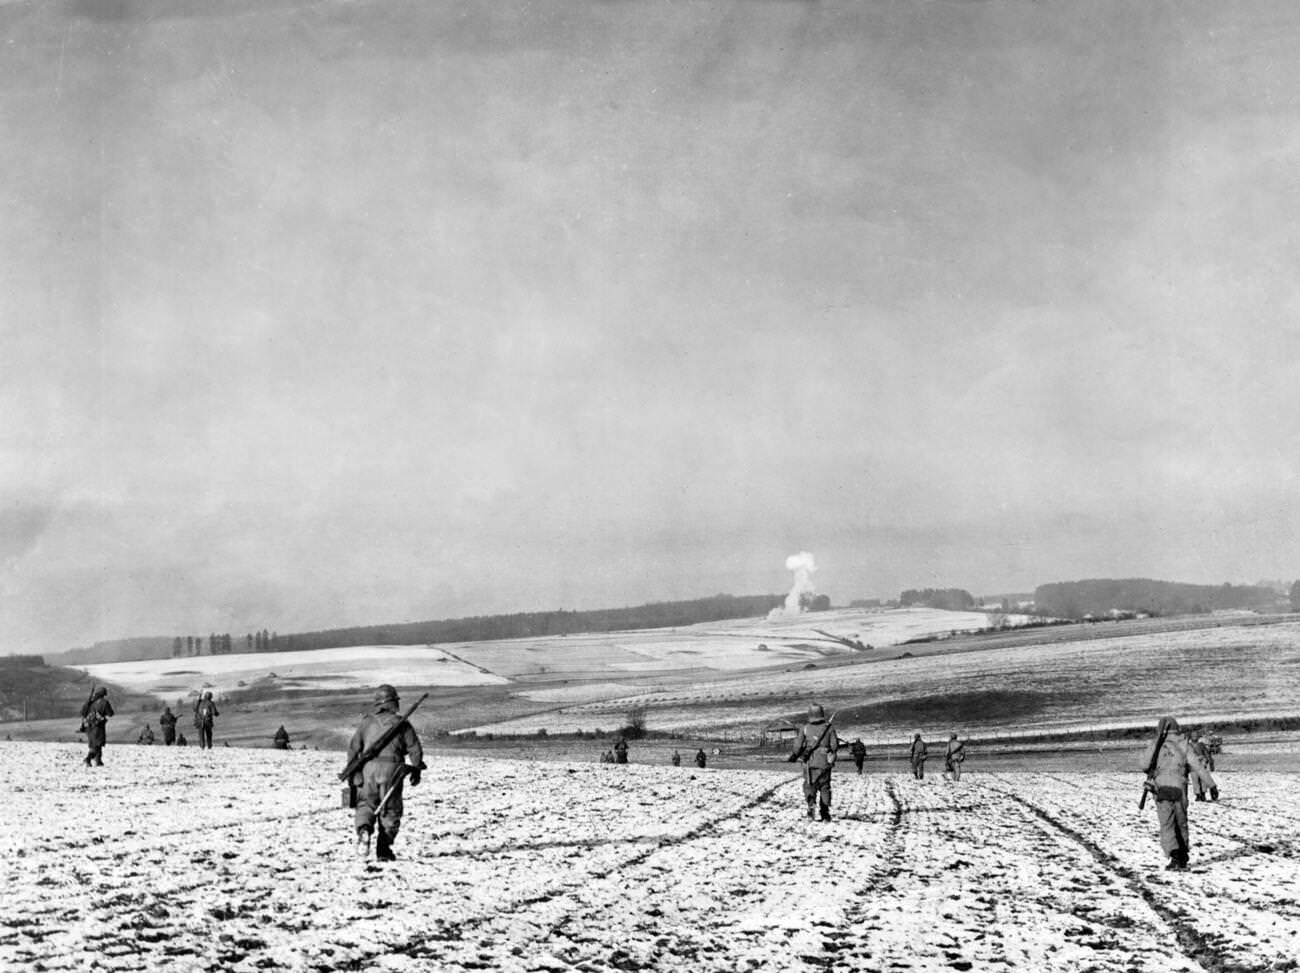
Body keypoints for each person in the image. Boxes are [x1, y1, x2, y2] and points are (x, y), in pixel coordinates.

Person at [344, 684, 424, 862]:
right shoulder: (402, 723)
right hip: (392, 770)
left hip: (368, 769)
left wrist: (353, 773)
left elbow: (353, 748)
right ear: (393, 702)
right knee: (390, 809)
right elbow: (415, 749)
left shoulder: (366, 723)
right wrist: (417, 768)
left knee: (366, 804)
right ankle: (383, 849)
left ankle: (364, 829)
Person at [1140, 716, 1218, 871]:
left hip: (1161, 788)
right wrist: (1212, 785)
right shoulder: (1184, 745)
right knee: (1181, 822)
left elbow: (1144, 765)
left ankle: (1174, 855)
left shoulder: (1155, 745)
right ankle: (1183, 855)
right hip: (1179, 788)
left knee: (1167, 823)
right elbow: (1198, 767)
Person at [789, 704, 839, 821]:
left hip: (810, 763)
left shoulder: (805, 728)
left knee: (809, 786)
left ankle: (811, 807)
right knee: (825, 787)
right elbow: (834, 746)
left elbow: (797, 747)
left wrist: (794, 755)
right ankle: (825, 813)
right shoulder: (829, 728)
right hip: (825, 763)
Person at [79, 687, 114, 767]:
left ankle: (98, 761)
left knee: (94, 744)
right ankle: (87, 759)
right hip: (98, 726)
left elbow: (83, 713)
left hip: (88, 727)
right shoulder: (104, 702)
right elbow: (110, 713)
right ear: (103, 694)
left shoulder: (90, 702)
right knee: (97, 744)